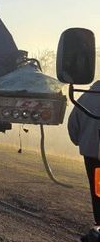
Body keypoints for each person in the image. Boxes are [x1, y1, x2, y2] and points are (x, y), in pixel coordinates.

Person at [68, 80, 100, 241]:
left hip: (92, 155)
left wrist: (81, 141)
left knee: (97, 190)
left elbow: (73, 125)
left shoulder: (86, 98)